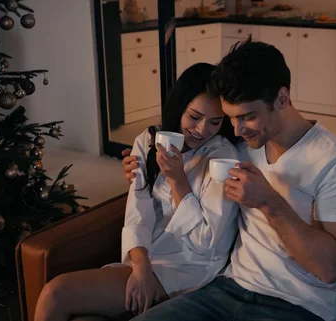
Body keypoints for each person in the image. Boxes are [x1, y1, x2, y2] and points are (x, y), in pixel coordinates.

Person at [122, 38, 336, 321]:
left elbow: (331, 267)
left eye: (247, 117)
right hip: (226, 289)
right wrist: (141, 166)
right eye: (230, 118)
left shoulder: (335, 161)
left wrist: (269, 202)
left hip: (297, 305)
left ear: (282, 99)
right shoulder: (241, 146)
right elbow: (189, 160)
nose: (236, 130)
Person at [33, 63, 241, 321]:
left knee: (56, 294)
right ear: (179, 106)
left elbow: (206, 241)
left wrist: (178, 181)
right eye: (194, 117)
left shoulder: (223, 158)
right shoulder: (148, 140)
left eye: (214, 122)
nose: (201, 130)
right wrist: (140, 266)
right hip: (143, 257)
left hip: (188, 269)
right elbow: (137, 209)